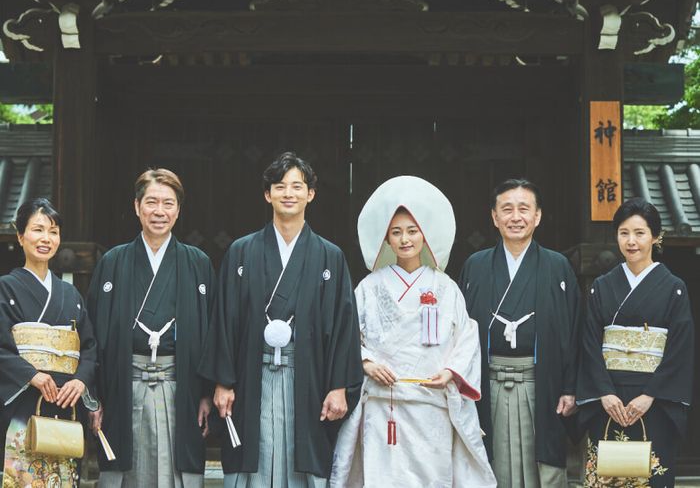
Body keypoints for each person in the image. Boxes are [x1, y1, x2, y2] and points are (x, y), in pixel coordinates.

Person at [199, 151, 363, 487]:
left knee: (302, 461)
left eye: (297, 186)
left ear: (310, 194)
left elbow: (343, 326)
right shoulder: (242, 251)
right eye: (280, 186)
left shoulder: (329, 256)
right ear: (267, 194)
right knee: (251, 459)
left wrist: (339, 387)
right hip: (251, 373)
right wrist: (223, 382)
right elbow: (224, 319)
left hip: (309, 376)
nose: (289, 193)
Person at [331, 176, 496, 488]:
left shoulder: (446, 287)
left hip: (431, 402)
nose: (404, 239)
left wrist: (451, 371)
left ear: (425, 234)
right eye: (396, 232)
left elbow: (466, 336)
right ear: (386, 239)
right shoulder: (369, 287)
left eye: (412, 230)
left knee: (431, 478)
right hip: (383, 403)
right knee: (383, 478)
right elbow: (348, 335)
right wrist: (366, 362)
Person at [87, 168, 215, 487]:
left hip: (180, 385)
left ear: (178, 210)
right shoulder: (113, 262)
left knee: (177, 471)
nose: (160, 211)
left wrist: (206, 393)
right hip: (124, 384)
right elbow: (92, 336)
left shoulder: (197, 263)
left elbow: (213, 333)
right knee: (125, 469)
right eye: (151, 202)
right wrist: (95, 396)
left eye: (168, 203)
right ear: (136, 206)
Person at [458, 177, 581, 488]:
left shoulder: (557, 266)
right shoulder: (476, 266)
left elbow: (574, 331)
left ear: (537, 216)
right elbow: (459, 331)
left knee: (543, 466)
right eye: (507, 209)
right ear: (494, 217)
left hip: (541, 382)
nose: (516, 217)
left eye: (524, 209)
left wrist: (570, 387)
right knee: (488, 459)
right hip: (487, 382)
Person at [577, 197, 694, 487]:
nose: (631, 241)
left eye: (640, 233)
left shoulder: (674, 288)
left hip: (654, 400)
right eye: (624, 233)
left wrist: (650, 395)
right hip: (609, 399)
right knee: (608, 477)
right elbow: (589, 343)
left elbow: (680, 349)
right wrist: (604, 392)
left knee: (651, 478)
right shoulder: (602, 286)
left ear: (655, 237)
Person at [0, 197, 97, 487]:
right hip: (23, 403)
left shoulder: (71, 294)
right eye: (38, 229)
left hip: (65, 405)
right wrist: (31, 374)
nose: (46, 238)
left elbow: (89, 347)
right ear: (20, 236)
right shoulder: (6, 288)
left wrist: (80, 380)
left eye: (53, 232)